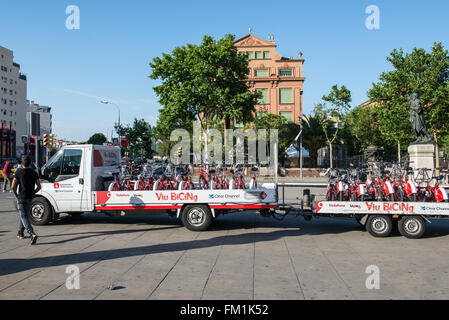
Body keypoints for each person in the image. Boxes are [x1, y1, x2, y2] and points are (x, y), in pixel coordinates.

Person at [11, 155, 41, 245]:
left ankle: (31, 232)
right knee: (24, 214)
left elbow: (13, 187)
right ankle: (20, 231)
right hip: (30, 196)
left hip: (22, 196)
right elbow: (39, 186)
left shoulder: (18, 172)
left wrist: (17, 195)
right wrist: (34, 192)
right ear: (30, 163)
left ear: (21, 163)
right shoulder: (34, 172)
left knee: (23, 215)